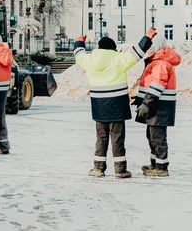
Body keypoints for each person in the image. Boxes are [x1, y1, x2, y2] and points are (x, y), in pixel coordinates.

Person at [73, 29, 155, 178]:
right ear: (112, 49)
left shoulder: (89, 60)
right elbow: (137, 52)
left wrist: (80, 41)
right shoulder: (118, 59)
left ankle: (98, 168)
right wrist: (148, 37)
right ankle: (120, 170)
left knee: (101, 137)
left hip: (99, 106)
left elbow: (78, 54)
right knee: (117, 137)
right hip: (117, 105)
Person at [133, 36, 181, 177]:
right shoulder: (158, 61)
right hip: (157, 105)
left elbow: (157, 85)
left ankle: (161, 167)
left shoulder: (160, 63)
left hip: (159, 107)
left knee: (158, 137)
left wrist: (146, 103)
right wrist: (140, 99)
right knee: (152, 135)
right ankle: (155, 164)